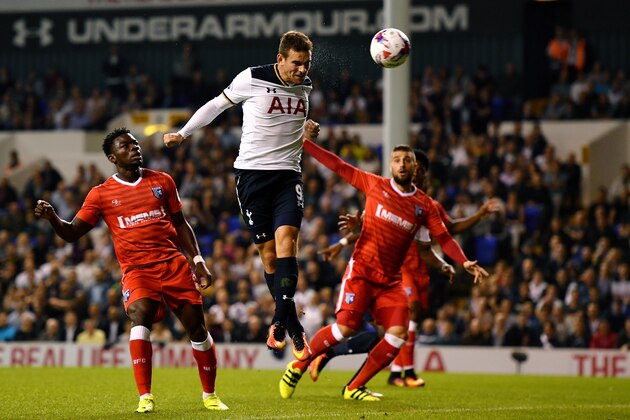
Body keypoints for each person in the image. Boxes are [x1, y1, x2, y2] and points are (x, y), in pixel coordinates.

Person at [279, 120, 488, 401]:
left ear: (415, 168)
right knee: (344, 329)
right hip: (362, 272)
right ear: (390, 166)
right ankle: (299, 364)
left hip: (390, 282)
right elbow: (339, 165)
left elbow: (444, 237)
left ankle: (354, 388)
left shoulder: (425, 206)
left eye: (407, 161)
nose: (402, 164)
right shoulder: (374, 185)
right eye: (397, 160)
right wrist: (304, 143)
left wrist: (462, 261)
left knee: (399, 332)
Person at [34, 128, 228, 413]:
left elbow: (180, 223)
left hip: (173, 265)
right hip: (138, 271)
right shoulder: (101, 194)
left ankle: (209, 395)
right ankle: (145, 397)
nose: (134, 149)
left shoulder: (163, 181)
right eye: (126, 146)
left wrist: (198, 260)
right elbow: (73, 233)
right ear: (113, 157)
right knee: (140, 317)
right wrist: (53, 217)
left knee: (197, 330)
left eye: (135, 144)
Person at [163, 31, 314, 361]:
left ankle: (277, 321)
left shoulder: (305, 88)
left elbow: (291, 127)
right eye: (296, 63)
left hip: (288, 177)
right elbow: (216, 106)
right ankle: (295, 328)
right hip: (251, 177)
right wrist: (183, 133)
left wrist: (308, 129)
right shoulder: (252, 78)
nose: (302, 70)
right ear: (281, 59)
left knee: (288, 241)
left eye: (306, 64)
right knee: (269, 256)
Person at [313, 149, 499, 387]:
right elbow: (372, 228)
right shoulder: (388, 193)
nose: (415, 172)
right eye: (412, 167)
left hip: (419, 271)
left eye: (419, 169)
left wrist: (449, 262)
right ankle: (401, 372)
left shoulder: (429, 207)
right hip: (396, 274)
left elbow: (446, 234)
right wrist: (341, 242)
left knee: (386, 334)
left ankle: (376, 367)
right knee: (393, 324)